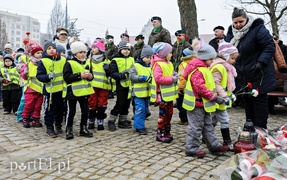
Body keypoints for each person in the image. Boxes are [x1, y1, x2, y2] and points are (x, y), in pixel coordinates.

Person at [226, 7, 276, 129]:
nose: (238, 25)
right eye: (235, 22)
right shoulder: (232, 33)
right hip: (242, 73)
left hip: (259, 72)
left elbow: (269, 46)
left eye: (241, 22)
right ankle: (250, 126)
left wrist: (261, 62)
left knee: (259, 101)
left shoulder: (258, 29)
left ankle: (261, 129)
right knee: (247, 100)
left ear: (246, 19)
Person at [183, 39, 229, 157]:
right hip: (196, 104)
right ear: (204, 58)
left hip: (204, 104)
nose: (212, 61)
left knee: (208, 126)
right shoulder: (198, 70)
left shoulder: (204, 68)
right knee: (196, 127)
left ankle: (214, 146)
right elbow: (200, 88)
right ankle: (191, 148)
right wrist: (215, 97)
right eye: (211, 59)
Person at [210, 39, 238, 151]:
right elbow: (216, 83)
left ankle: (207, 136)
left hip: (221, 98)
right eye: (232, 58)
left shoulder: (225, 67)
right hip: (219, 99)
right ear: (225, 56)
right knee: (224, 119)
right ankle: (227, 141)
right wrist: (224, 96)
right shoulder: (219, 67)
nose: (234, 61)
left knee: (213, 119)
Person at [63, 41, 94, 140]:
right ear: (75, 53)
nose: (83, 54)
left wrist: (90, 77)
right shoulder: (69, 63)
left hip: (84, 91)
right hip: (72, 92)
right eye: (80, 52)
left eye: (84, 52)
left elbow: (91, 75)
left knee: (85, 111)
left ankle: (83, 128)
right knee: (71, 112)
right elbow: (66, 77)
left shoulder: (88, 62)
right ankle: (69, 129)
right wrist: (79, 76)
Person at [36, 41, 66, 138]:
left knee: (60, 110)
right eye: (49, 48)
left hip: (61, 90)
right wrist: (48, 77)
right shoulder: (43, 61)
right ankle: (49, 127)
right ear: (45, 51)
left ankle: (58, 125)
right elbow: (39, 76)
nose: (51, 50)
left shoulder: (63, 60)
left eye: (53, 48)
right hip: (50, 91)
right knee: (49, 110)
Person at [150, 42, 178, 143]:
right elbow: (158, 78)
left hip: (169, 95)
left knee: (170, 113)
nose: (171, 54)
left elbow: (168, 74)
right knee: (163, 115)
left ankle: (167, 131)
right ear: (164, 53)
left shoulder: (169, 63)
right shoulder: (158, 64)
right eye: (170, 52)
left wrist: (173, 74)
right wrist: (171, 78)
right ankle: (160, 133)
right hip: (162, 95)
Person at [108, 40, 134, 131]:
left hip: (129, 85)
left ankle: (123, 120)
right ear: (120, 50)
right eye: (124, 49)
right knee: (120, 103)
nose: (126, 51)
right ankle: (111, 120)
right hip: (120, 85)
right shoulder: (115, 60)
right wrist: (120, 76)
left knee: (127, 103)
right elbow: (112, 73)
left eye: (128, 49)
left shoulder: (132, 59)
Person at [129, 45, 154, 135]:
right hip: (138, 93)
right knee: (140, 109)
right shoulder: (136, 66)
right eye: (147, 57)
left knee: (145, 110)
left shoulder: (149, 67)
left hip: (146, 93)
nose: (149, 59)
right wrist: (141, 78)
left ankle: (141, 124)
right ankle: (139, 127)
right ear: (142, 57)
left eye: (150, 58)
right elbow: (131, 76)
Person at [87, 40, 110, 131]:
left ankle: (100, 120)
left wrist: (108, 70)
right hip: (92, 86)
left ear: (100, 49)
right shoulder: (89, 61)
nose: (93, 49)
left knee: (102, 103)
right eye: (92, 47)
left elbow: (109, 74)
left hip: (103, 86)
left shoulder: (106, 61)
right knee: (92, 103)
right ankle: (91, 119)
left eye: (95, 47)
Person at [20, 45, 44, 128]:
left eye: (41, 52)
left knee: (38, 106)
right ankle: (25, 118)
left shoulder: (43, 63)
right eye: (38, 53)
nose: (40, 54)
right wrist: (25, 73)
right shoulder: (28, 63)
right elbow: (23, 75)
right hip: (30, 89)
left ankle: (35, 119)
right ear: (33, 54)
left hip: (40, 90)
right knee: (29, 105)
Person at [176, 47, 196, 125]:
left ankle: (184, 119)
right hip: (192, 88)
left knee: (181, 104)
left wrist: (181, 87)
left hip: (184, 88)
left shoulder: (183, 64)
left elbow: (182, 77)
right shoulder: (195, 62)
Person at [105, 34, 118, 99]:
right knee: (107, 78)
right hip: (106, 62)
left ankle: (112, 92)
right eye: (107, 39)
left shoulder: (114, 47)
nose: (108, 40)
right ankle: (109, 92)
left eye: (110, 39)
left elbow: (115, 55)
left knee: (112, 79)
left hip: (111, 62)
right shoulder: (105, 46)